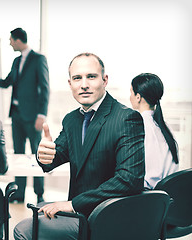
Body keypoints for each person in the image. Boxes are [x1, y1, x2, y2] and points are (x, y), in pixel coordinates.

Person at [14, 53, 145, 240]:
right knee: (37, 213)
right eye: (77, 78)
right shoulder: (72, 120)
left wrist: (73, 204)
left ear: (104, 80)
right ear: (70, 84)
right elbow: (54, 157)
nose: (84, 84)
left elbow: (129, 179)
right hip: (80, 215)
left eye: (91, 76)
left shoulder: (126, 118)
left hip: (109, 218)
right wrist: (43, 154)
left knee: (24, 230)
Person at [0, 27, 50, 203]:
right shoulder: (16, 62)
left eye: (10, 40)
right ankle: (20, 193)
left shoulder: (39, 59)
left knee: (37, 155)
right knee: (18, 155)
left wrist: (42, 115)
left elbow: (45, 88)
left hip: (33, 116)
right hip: (16, 115)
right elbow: (7, 82)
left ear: (17, 40)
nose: (9, 43)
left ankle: (40, 194)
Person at [130, 73, 178, 189]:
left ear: (138, 97)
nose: (129, 97)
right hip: (166, 197)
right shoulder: (164, 126)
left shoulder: (140, 125)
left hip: (149, 197)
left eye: (131, 92)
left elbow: (151, 177)